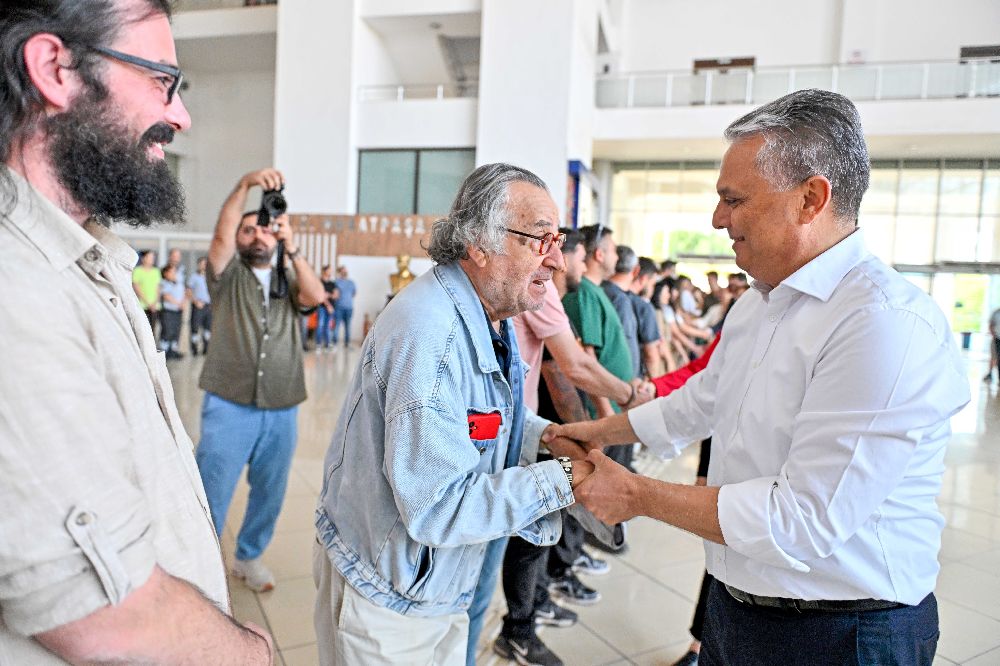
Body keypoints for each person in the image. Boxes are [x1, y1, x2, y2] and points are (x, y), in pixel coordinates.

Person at [548, 89, 971, 666]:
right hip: (738, 606)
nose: (717, 219)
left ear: (810, 199)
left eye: (733, 199)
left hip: (844, 631)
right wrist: (602, 434)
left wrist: (637, 494)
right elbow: (701, 402)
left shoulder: (880, 323)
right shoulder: (759, 302)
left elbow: (804, 519)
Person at [0, 1, 274, 662]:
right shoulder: (18, 288)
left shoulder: (89, 254)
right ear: (54, 69)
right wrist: (252, 652)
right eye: (163, 81)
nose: (180, 116)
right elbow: (106, 616)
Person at [312, 163, 594, 666]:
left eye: (559, 239)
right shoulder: (431, 335)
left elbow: (484, 418)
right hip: (389, 600)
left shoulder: (486, 314)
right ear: (478, 245)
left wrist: (548, 436)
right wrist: (565, 480)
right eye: (540, 239)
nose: (557, 262)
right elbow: (438, 506)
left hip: (437, 585)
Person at [496, 229, 655, 665]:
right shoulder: (538, 289)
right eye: (567, 252)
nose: (567, 264)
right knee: (526, 536)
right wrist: (616, 412)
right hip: (525, 429)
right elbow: (573, 366)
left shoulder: (547, 288)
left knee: (534, 531)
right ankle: (519, 628)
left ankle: (526, 614)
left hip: (529, 426)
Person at [196, 167, 325, 592]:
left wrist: (293, 247)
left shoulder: (289, 278)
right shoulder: (225, 275)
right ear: (238, 238)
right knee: (211, 488)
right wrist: (244, 184)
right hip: (229, 402)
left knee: (269, 491)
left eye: (265, 229)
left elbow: (316, 297)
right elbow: (221, 235)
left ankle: (248, 557)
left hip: (281, 404)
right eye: (248, 230)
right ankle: (199, 564)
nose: (257, 235)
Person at [159, 262, 186, 358]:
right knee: (167, 331)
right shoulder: (164, 283)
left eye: (175, 272)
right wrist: (177, 303)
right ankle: (164, 351)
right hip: (168, 311)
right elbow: (166, 296)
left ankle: (173, 350)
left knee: (176, 331)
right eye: (171, 272)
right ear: (166, 273)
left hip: (178, 311)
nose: (174, 274)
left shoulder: (179, 283)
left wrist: (183, 303)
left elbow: (183, 294)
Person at [187, 256, 212, 355]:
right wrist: (195, 301)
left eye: (205, 264)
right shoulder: (194, 277)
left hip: (209, 306)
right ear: (198, 265)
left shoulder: (211, 277)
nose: (204, 266)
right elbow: (188, 291)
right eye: (202, 264)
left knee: (208, 329)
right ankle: (194, 349)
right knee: (195, 328)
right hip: (198, 306)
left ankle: (206, 348)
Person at [132, 249, 161, 329]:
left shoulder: (156, 271)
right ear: (143, 258)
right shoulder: (137, 271)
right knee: (142, 329)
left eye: (153, 258)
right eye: (150, 257)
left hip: (155, 306)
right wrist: (148, 303)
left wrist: (155, 303)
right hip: (142, 306)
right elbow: (137, 288)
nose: (152, 259)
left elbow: (158, 289)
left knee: (153, 330)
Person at [331, 265, 356, 347]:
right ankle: (334, 343)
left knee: (348, 326)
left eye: (346, 271)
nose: (345, 272)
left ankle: (347, 343)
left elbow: (354, 293)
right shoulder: (336, 282)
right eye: (343, 271)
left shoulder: (351, 282)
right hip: (339, 307)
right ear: (340, 272)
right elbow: (334, 294)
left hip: (349, 307)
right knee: (337, 326)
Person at [316, 264, 337, 351]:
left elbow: (336, 295)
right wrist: (328, 305)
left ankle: (327, 345)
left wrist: (329, 295)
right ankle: (318, 345)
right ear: (324, 271)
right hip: (322, 307)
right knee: (320, 325)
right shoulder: (319, 282)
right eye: (329, 270)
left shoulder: (332, 283)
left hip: (331, 307)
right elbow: (321, 296)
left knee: (328, 326)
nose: (330, 272)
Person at [984, 306, 1000, 383]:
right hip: (997, 338)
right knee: (994, 357)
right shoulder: (996, 312)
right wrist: (993, 334)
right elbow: (991, 324)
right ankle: (990, 374)